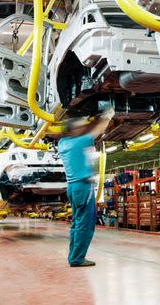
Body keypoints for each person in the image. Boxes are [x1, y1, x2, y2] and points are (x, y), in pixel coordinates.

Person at [56, 108, 114, 267]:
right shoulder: (80, 141)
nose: (83, 128)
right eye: (79, 127)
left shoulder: (63, 143)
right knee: (85, 224)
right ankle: (77, 259)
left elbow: (84, 131)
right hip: (83, 187)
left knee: (76, 222)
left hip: (73, 187)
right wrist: (107, 116)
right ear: (73, 130)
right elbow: (98, 130)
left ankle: (73, 256)